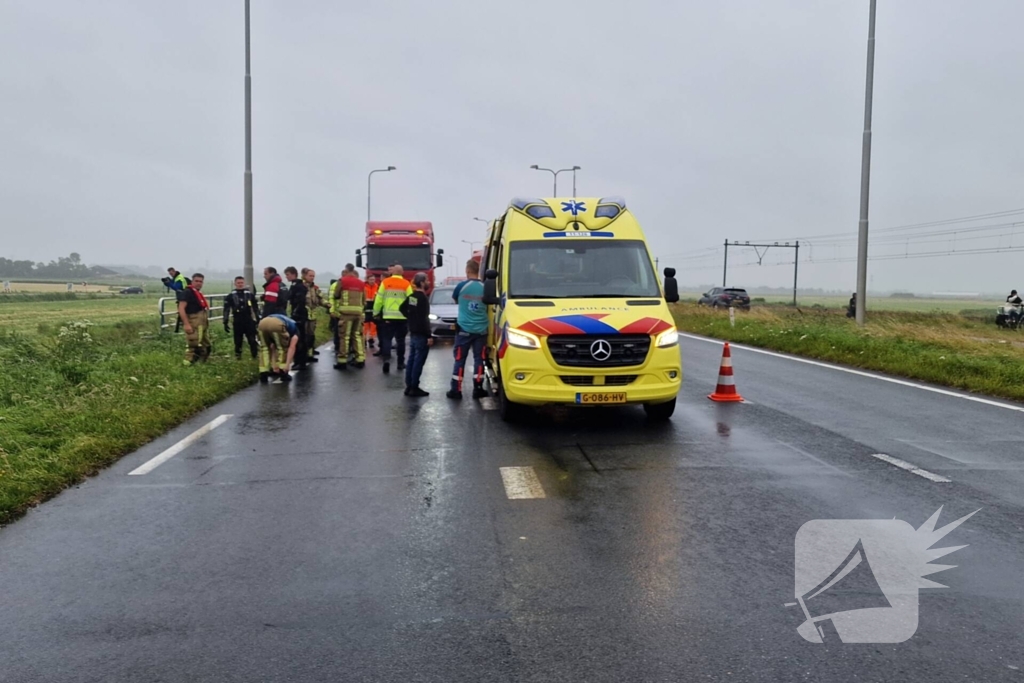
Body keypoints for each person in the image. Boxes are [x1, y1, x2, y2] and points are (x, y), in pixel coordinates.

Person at [447, 259, 489, 400]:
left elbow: (456, 300)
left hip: (464, 329)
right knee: (479, 359)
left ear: (468, 271)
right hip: (481, 329)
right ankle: (478, 388)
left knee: (460, 359)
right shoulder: (485, 287)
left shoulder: (461, 287)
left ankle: (456, 390)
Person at [373, 264, 413, 375]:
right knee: (400, 341)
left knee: (387, 340)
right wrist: (411, 313)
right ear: (402, 272)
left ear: (392, 272)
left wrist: (375, 313)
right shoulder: (406, 283)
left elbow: (379, 299)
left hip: (388, 317)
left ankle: (386, 360)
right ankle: (400, 363)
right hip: (402, 318)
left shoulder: (385, 283)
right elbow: (411, 300)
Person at [399, 272, 433, 397]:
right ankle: (414, 387)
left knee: (412, 360)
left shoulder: (412, 296)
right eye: (427, 280)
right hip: (421, 334)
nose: (429, 282)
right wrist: (429, 335)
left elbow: (402, 308)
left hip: (413, 332)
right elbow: (425, 318)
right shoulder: (423, 298)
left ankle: (409, 386)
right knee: (419, 361)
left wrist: (411, 318)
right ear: (422, 282)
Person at [331, 265, 367, 370]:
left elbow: (336, 295)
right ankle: (360, 359)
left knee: (345, 337)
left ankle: (342, 361)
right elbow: (364, 300)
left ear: (346, 270)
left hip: (346, 314)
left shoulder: (342, 281)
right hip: (358, 313)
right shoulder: (361, 283)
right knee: (357, 336)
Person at [222, 276, 260, 359]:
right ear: (235, 284)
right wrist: (225, 321)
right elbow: (226, 309)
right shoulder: (231, 296)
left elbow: (255, 308)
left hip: (248, 319)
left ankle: (255, 355)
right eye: (238, 283)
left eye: (241, 283)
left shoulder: (249, 294)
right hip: (237, 319)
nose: (240, 284)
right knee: (238, 340)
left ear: (244, 283)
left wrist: (258, 319)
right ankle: (238, 356)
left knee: (252, 339)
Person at [176, 273, 211, 365]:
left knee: (205, 345)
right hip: (193, 322)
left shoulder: (197, 293)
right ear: (192, 281)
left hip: (201, 322)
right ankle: (187, 365)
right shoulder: (187, 292)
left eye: (201, 281)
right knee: (193, 346)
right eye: (196, 281)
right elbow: (181, 308)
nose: (199, 283)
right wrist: (186, 324)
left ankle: (201, 364)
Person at [257, 313, 300, 383]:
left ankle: (263, 373)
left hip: (262, 323)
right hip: (277, 324)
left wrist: (274, 365)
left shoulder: (288, 322)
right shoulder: (295, 330)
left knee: (264, 348)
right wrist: (287, 365)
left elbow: (272, 347)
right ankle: (283, 373)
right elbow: (292, 347)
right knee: (282, 348)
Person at [284, 266, 310, 367]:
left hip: (299, 315)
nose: (286, 277)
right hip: (299, 314)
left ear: (293, 274)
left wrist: (295, 313)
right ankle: (299, 360)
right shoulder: (296, 285)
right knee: (298, 338)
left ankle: (301, 361)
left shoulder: (298, 286)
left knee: (299, 338)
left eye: (288, 275)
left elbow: (299, 301)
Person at [303, 268, 329, 362]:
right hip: (303, 316)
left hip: (312, 316)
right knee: (303, 336)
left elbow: (320, 299)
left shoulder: (315, 288)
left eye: (313, 276)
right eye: (310, 276)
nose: (312, 278)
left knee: (311, 335)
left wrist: (329, 305)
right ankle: (302, 355)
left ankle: (310, 354)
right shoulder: (301, 287)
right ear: (305, 276)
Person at [364, 274, 379, 351]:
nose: (372, 281)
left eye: (373, 279)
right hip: (365, 307)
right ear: (367, 280)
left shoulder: (377, 287)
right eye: (371, 280)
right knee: (365, 325)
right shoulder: (364, 287)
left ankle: (371, 339)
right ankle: (363, 340)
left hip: (374, 307)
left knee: (373, 325)